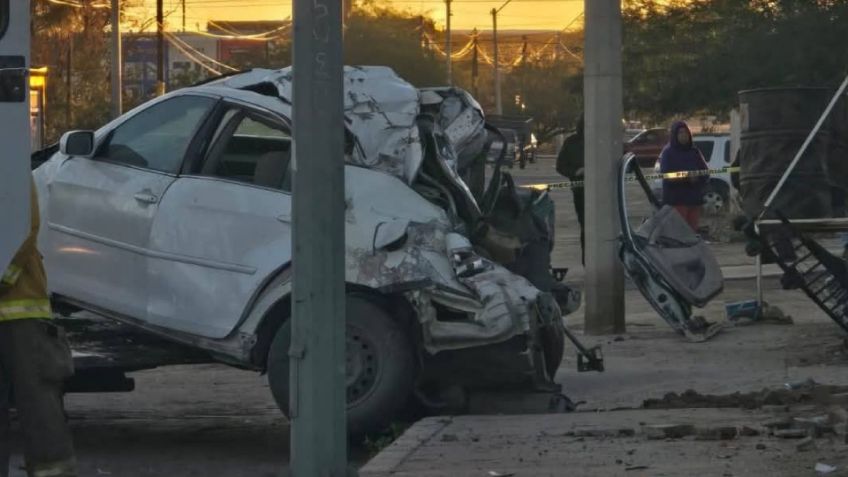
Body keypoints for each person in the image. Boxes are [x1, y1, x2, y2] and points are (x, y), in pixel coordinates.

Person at [0, 177, 77, 477]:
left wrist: (2, 276)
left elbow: (23, 223)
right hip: (19, 309)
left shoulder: (7, 157)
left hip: (20, 310)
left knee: (39, 405)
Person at [659, 121, 709, 231]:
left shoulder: (694, 152)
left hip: (694, 199)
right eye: (680, 132)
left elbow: (705, 172)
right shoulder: (668, 153)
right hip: (677, 200)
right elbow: (667, 175)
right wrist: (686, 178)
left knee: (692, 232)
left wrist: (697, 179)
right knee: (679, 232)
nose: (684, 135)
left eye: (686, 132)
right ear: (674, 135)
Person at [555, 116, 585, 264]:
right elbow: (560, 166)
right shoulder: (572, 143)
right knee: (586, 227)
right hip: (581, 192)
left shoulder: (603, 140)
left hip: (605, 192)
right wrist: (575, 172)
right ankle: (588, 261)